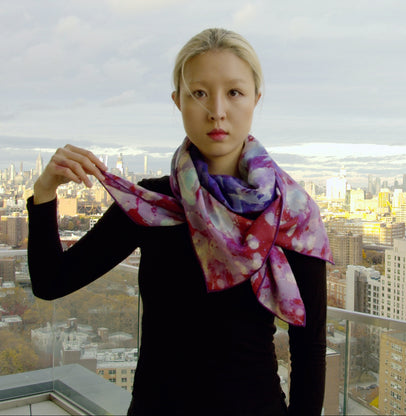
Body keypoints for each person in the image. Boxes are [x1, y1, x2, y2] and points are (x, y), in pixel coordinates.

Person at [27, 28, 332, 416]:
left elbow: (310, 353)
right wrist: (44, 192)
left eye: (234, 92)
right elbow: (51, 282)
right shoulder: (151, 205)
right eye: (199, 93)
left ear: (256, 98)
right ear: (178, 102)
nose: (217, 110)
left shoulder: (290, 216)